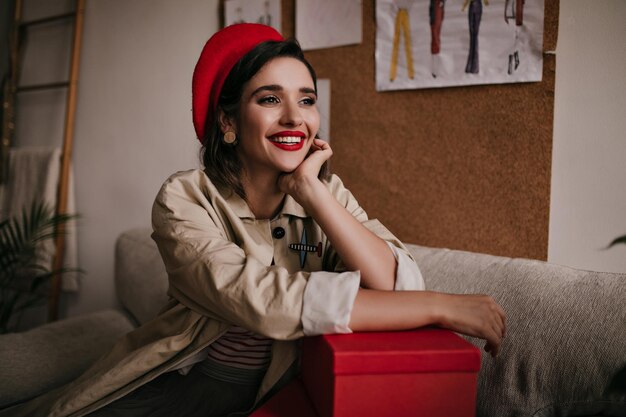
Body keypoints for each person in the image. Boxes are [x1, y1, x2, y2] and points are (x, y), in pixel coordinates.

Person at [3, 23, 505, 417]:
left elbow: (396, 284)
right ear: (226, 122)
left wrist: (313, 193)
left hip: (278, 391)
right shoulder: (183, 198)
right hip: (184, 384)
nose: (295, 118)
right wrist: (439, 307)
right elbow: (260, 299)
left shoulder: (325, 194)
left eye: (306, 100)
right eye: (270, 99)